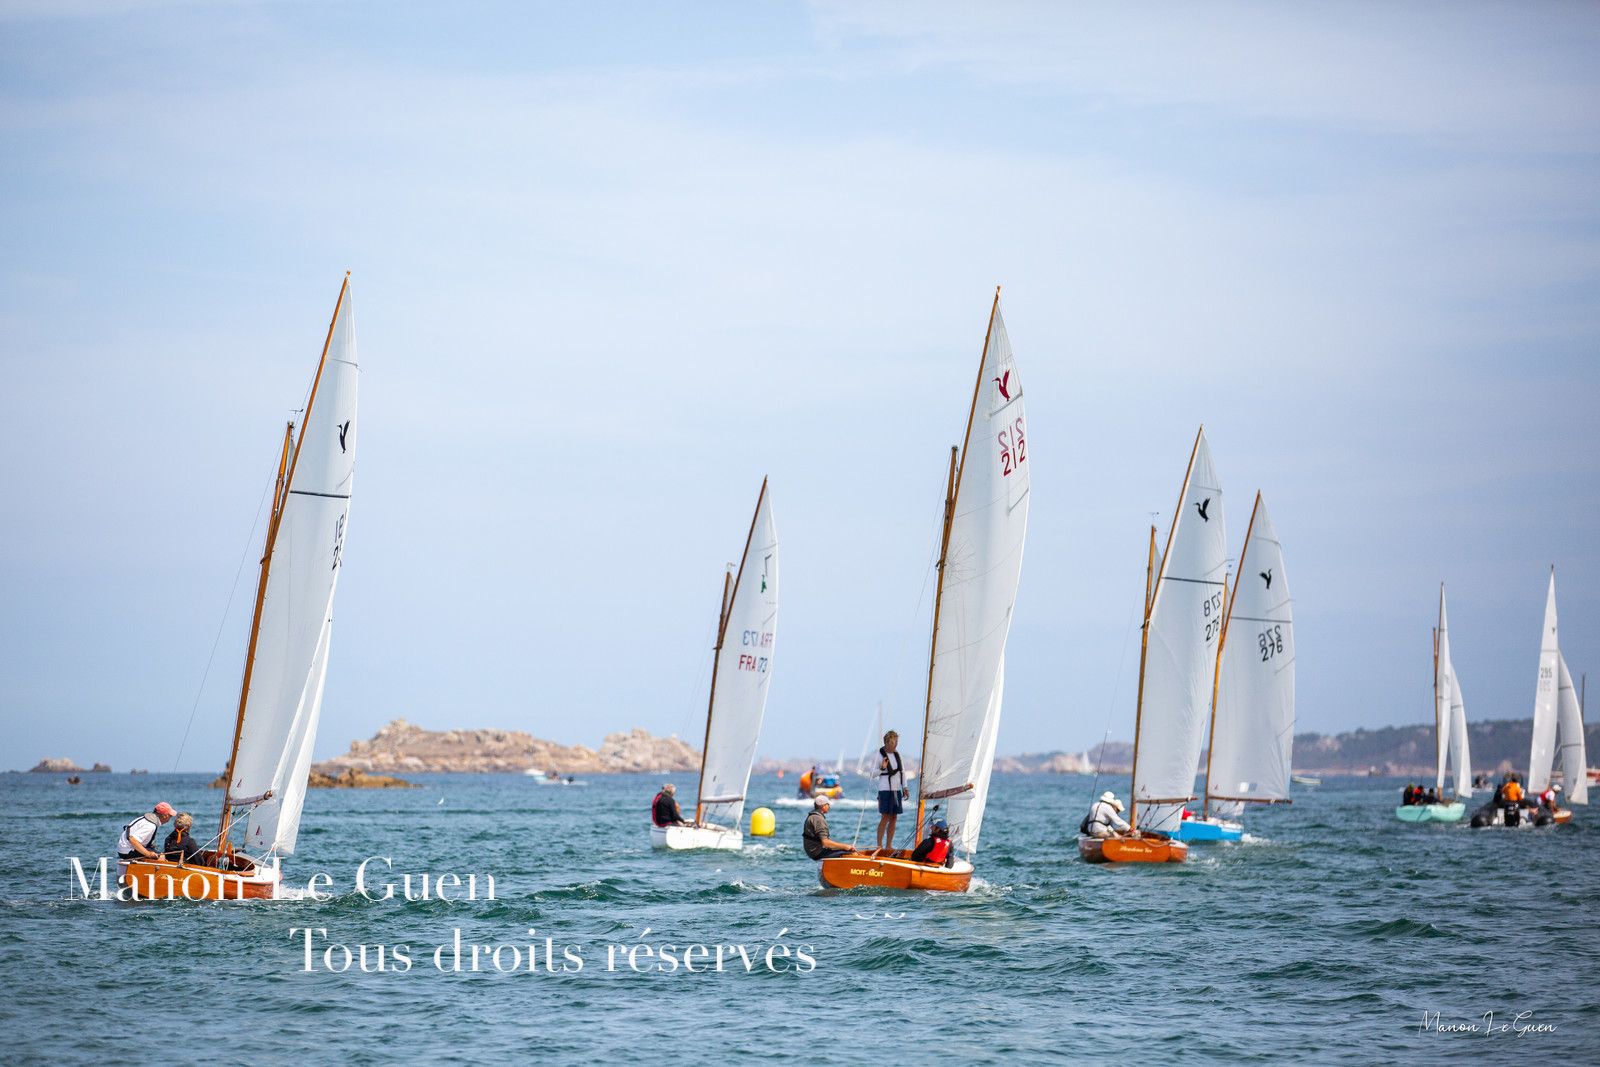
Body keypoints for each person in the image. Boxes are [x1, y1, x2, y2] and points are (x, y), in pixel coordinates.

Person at [115, 802, 174, 878]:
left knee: (156, 853)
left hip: (122, 849)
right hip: (127, 851)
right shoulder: (150, 825)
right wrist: (147, 853)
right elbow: (133, 840)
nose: (169, 820)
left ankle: (144, 875)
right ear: (164, 816)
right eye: (170, 817)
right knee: (161, 856)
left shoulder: (145, 819)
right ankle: (158, 880)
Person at [874, 730, 909, 850]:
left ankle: (889, 845)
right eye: (894, 743)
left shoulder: (898, 755)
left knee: (894, 817)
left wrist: (905, 788)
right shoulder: (879, 756)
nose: (896, 745)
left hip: (896, 790)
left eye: (897, 742)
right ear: (887, 742)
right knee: (885, 817)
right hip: (884, 790)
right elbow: (872, 774)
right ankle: (879, 845)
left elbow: (903, 772)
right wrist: (882, 768)